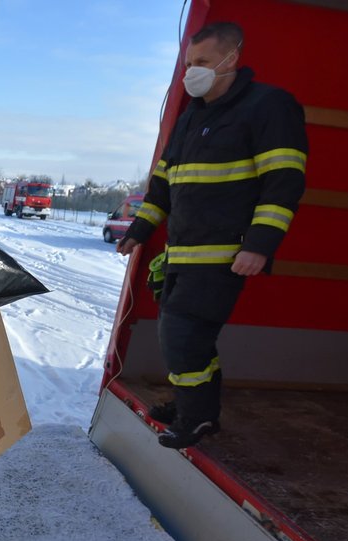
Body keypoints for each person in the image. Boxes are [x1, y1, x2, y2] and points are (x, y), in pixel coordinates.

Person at [117, 22, 307, 449]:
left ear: (231, 58)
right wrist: (140, 228)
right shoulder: (191, 116)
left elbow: (284, 182)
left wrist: (259, 245)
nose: (191, 73)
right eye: (188, 64)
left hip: (226, 254)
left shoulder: (268, 106)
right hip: (182, 255)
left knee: (183, 337)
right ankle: (193, 406)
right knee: (187, 339)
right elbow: (163, 184)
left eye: (201, 63)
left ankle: (197, 418)